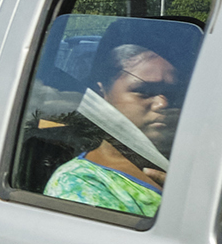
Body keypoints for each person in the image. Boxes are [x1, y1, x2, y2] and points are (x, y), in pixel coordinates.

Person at [44, 33, 189, 219]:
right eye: (143, 91)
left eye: (173, 93)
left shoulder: (198, 161)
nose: (163, 104)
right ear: (101, 92)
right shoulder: (80, 184)